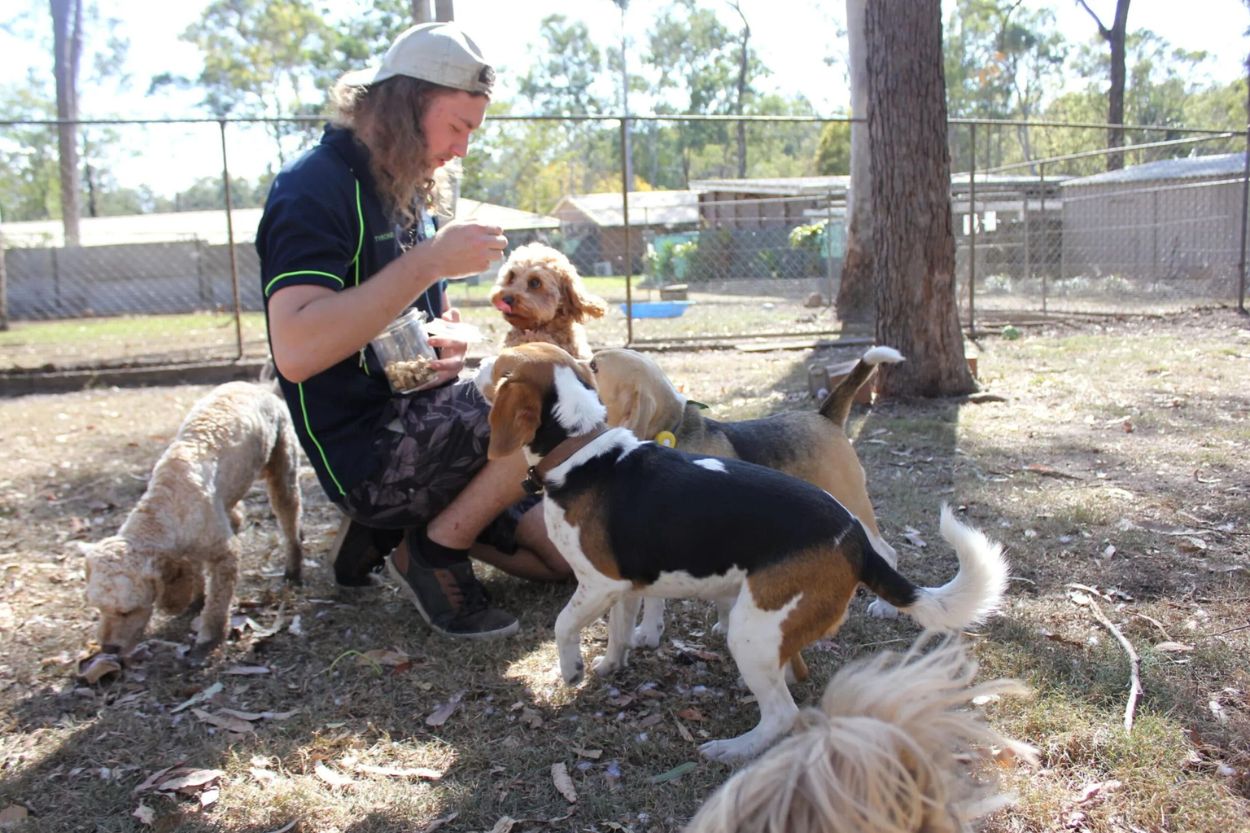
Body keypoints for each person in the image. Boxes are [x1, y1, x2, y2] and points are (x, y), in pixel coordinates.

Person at [256, 22, 571, 640]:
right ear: (405, 103)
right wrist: (428, 260)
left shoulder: (405, 184)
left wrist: (451, 341)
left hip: (431, 417)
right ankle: (432, 547)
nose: (461, 149)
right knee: (557, 398)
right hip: (370, 449)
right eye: (458, 127)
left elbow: (420, 311)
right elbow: (294, 351)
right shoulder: (312, 188)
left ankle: (403, 530)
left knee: (563, 562)